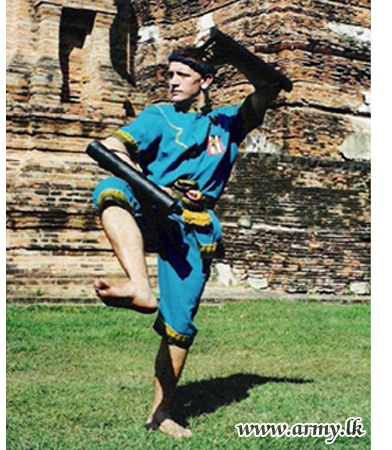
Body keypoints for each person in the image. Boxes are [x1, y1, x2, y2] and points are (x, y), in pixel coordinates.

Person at [89, 30, 291, 438]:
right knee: (110, 190)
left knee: (179, 325)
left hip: (195, 227)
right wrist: (147, 181)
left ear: (206, 80)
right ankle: (139, 286)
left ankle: (161, 414)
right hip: (154, 209)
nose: (173, 81)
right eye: (170, 74)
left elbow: (270, 87)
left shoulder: (229, 122)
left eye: (182, 74)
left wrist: (231, 53)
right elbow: (112, 144)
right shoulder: (159, 116)